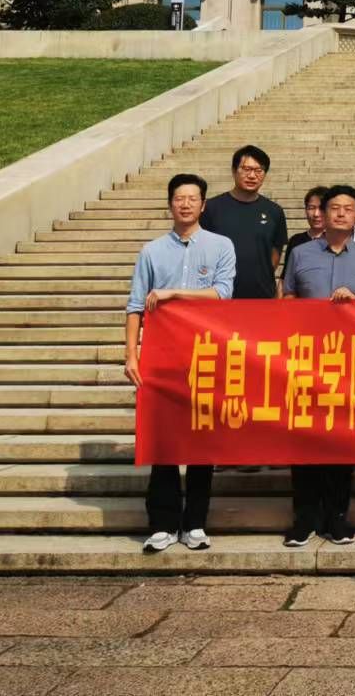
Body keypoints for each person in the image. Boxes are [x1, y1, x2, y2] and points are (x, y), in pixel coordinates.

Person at [125, 173, 235, 555]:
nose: (185, 204)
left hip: (205, 355)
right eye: (179, 198)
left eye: (192, 199)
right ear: (170, 204)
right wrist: (131, 354)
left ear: (203, 205)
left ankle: (196, 523)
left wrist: (173, 293)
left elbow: (221, 294)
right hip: (162, 358)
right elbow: (135, 305)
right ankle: (163, 524)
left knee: (202, 441)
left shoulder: (221, 246)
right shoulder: (152, 251)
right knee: (164, 441)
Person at [280, 184, 355, 547]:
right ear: (322, 214)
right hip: (306, 358)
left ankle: (337, 516)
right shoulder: (300, 253)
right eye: (334, 208)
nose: (341, 213)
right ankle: (305, 517)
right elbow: (287, 297)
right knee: (304, 439)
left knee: (342, 439)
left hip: (349, 361)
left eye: (348, 209)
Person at [201, 145, 287, 302]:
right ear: (234, 171)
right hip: (220, 296)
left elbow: (275, 254)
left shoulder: (274, 211)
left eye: (259, 170)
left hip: (261, 297)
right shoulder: (211, 208)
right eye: (246, 169)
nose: (252, 175)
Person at [284, 186, 329, 266]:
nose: (316, 214)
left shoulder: (338, 241)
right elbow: (288, 272)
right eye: (311, 208)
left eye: (322, 208)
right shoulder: (296, 241)